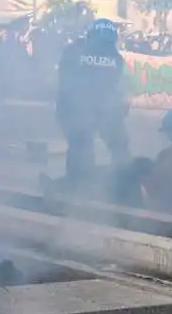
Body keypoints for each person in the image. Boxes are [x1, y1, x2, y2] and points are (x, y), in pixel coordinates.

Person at [55, 18, 130, 187]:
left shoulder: (72, 51)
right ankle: (83, 183)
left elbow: (115, 87)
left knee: (85, 145)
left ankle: (117, 179)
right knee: (85, 145)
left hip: (89, 108)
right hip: (79, 108)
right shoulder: (115, 57)